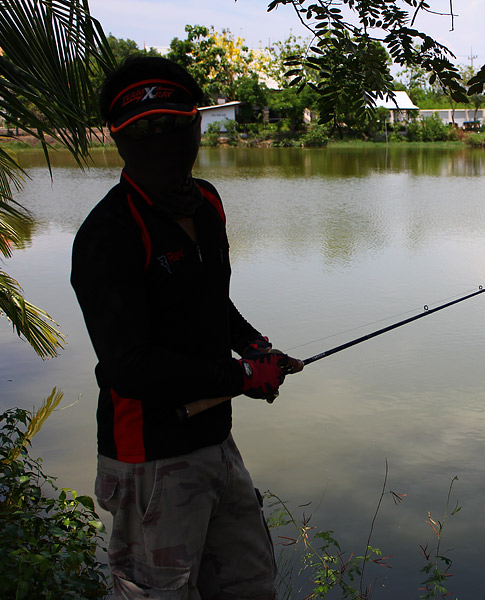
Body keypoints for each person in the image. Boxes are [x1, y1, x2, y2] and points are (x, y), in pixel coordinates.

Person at [71, 56, 303, 599]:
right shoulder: (109, 233)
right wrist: (243, 376)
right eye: (144, 129)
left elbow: (209, 298)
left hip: (215, 440)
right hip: (149, 457)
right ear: (119, 137)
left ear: (196, 124)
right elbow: (131, 369)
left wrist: (253, 346)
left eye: (174, 124)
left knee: (250, 582)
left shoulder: (207, 204)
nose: (162, 139)